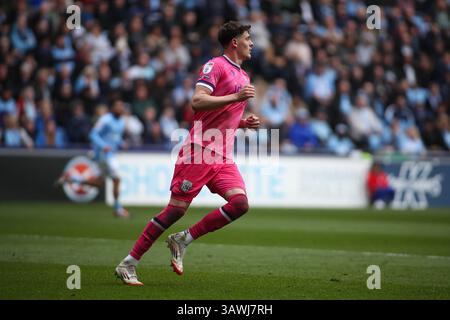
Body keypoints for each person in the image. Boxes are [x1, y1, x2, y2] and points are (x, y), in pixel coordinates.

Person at [115, 21, 260, 286]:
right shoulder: (215, 66)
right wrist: (235, 98)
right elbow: (197, 102)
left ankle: (183, 239)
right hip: (200, 151)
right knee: (175, 211)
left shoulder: (244, 76)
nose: (252, 43)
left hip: (222, 156)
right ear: (235, 42)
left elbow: (222, 117)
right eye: (248, 38)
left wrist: (242, 123)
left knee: (240, 204)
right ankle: (129, 263)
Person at [55, 99, 129, 218]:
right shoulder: (106, 120)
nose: (121, 108)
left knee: (99, 182)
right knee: (117, 179)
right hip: (104, 155)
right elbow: (93, 134)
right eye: (118, 106)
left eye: (122, 106)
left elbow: (116, 138)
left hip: (111, 154)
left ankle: (71, 179)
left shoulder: (121, 122)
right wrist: (103, 145)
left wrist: (122, 143)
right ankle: (118, 209)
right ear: (113, 108)